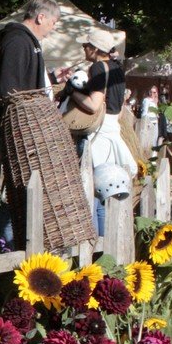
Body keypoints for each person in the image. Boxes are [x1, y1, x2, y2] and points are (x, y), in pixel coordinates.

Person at [0, 0, 61, 251]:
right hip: (17, 128)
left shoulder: (29, 42)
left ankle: (11, 242)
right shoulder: (18, 41)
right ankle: (4, 243)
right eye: (53, 23)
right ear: (41, 17)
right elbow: (11, 90)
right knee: (19, 188)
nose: (52, 29)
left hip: (25, 128)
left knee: (24, 187)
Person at [68, 28, 135, 235]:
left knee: (91, 194)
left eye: (86, 45)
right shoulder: (117, 69)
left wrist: (73, 93)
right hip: (113, 131)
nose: (83, 48)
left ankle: (93, 246)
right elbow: (120, 107)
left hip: (97, 135)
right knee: (104, 197)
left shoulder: (98, 68)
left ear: (95, 48)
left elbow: (94, 104)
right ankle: (105, 247)